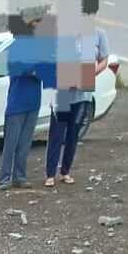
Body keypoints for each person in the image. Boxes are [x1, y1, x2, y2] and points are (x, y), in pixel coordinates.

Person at [45, 26, 108, 187]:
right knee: (56, 133)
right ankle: (50, 174)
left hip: (83, 93)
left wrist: (92, 72)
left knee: (73, 134)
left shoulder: (99, 34)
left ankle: (65, 171)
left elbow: (104, 60)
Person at [0, 7, 52, 190]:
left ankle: (20, 177)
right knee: (11, 143)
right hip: (17, 104)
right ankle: (4, 178)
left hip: (33, 103)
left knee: (25, 144)